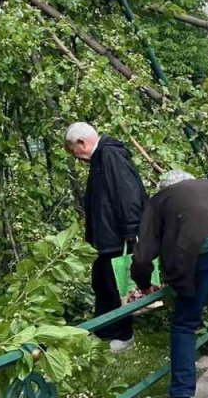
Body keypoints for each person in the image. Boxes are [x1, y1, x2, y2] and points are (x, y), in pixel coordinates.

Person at [130, 169, 208, 398]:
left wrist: (144, 284)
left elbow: (142, 254)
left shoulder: (161, 199)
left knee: (185, 324)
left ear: (164, 188)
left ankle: (182, 392)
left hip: (207, 249)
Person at [64, 122, 148, 352]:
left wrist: (132, 231)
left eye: (75, 151)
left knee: (116, 286)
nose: (78, 157)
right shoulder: (102, 157)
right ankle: (103, 330)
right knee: (101, 283)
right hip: (106, 239)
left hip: (117, 238)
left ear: (81, 143)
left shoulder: (111, 155)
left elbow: (127, 193)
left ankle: (123, 334)